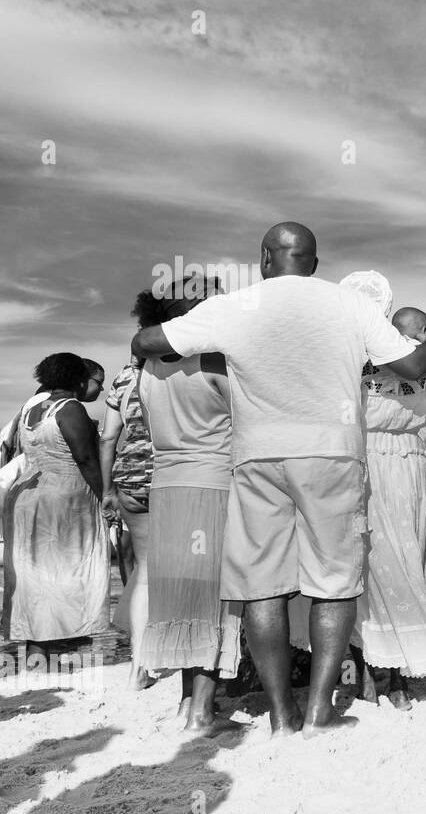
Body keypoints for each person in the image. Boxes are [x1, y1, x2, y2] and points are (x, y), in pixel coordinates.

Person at [131, 222, 426, 735]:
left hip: (256, 457)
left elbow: (145, 340)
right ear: (315, 264)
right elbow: (410, 364)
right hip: (333, 453)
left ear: (264, 260)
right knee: (335, 582)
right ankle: (320, 709)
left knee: (261, 587)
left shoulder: (235, 306)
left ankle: (281, 715)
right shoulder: (348, 304)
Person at [290, 277, 426, 709]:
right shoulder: (353, 351)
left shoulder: (410, 354)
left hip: (402, 465)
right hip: (367, 460)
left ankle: (391, 673)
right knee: (369, 566)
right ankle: (376, 672)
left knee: (397, 566)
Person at [134, 275, 244, 733]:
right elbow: (247, 422)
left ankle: (187, 702)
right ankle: (202, 708)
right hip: (213, 482)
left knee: (179, 593)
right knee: (214, 596)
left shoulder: (147, 366)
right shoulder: (215, 361)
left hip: (166, 485)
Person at [1, 354, 110, 647]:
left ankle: (39, 644)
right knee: (69, 570)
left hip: (29, 494)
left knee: (36, 574)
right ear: (78, 378)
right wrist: (106, 496)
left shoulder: (31, 407)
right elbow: (86, 459)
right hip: (65, 497)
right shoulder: (71, 408)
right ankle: (64, 642)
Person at [100, 353, 155, 690]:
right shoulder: (178, 370)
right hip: (175, 475)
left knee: (146, 573)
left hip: (130, 479)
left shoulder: (122, 378)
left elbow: (108, 437)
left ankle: (138, 667)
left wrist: (107, 489)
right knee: (191, 568)